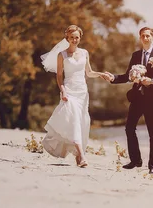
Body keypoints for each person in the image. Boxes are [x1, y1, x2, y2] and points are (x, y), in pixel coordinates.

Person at [102, 27, 153, 174]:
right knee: (129, 128)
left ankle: (152, 166)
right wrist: (113, 78)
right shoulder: (135, 55)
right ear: (140, 38)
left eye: (148, 36)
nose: (145, 38)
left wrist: (152, 80)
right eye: (143, 36)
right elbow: (128, 76)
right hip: (137, 98)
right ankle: (136, 160)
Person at [40, 25, 105, 167]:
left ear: (80, 38)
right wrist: (62, 90)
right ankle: (82, 156)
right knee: (74, 119)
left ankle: (77, 154)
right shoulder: (61, 55)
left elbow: (89, 72)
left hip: (82, 91)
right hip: (69, 91)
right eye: (71, 38)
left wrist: (101, 74)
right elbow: (58, 76)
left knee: (82, 121)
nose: (74, 40)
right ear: (67, 38)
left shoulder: (85, 53)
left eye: (77, 37)